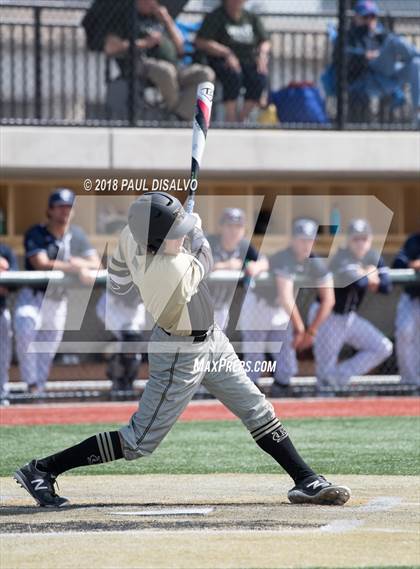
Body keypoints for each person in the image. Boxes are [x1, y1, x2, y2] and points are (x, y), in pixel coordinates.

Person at [14, 192, 350, 508]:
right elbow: (207, 257)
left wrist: (176, 219)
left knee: (257, 407)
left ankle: (305, 479)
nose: (182, 235)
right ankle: (42, 470)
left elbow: (121, 271)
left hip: (212, 340)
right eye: (175, 233)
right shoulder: (169, 270)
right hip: (179, 352)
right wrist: (198, 231)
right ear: (156, 242)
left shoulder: (133, 235)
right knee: (138, 441)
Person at [14, 189, 101, 394]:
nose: (65, 211)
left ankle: (38, 390)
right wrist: (77, 267)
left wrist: (80, 262)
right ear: (50, 210)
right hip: (33, 297)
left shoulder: (76, 235)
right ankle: (31, 383)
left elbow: (96, 263)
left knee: (47, 349)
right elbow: (41, 263)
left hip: (58, 300)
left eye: (69, 207)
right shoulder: (37, 232)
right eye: (60, 207)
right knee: (25, 330)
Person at [311, 219, 393, 389]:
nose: (360, 243)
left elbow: (387, 286)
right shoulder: (341, 257)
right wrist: (369, 273)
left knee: (382, 347)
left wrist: (365, 273)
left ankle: (337, 378)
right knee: (324, 369)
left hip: (349, 318)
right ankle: (323, 397)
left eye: (364, 238)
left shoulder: (373, 256)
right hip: (328, 316)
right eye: (356, 239)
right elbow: (358, 283)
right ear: (348, 240)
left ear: (370, 240)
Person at [103, 0, 214, 121]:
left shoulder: (160, 19)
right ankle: (175, 117)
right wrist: (145, 43)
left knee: (204, 74)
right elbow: (110, 47)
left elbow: (181, 48)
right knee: (166, 70)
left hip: (176, 67)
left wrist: (167, 21)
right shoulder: (127, 18)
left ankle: (180, 116)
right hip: (143, 65)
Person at [263, 219, 335, 397]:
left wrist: (311, 331)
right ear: (292, 240)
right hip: (260, 306)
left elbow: (329, 299)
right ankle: (244, 399)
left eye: (309, 240)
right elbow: (285, 296)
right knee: (254, 356)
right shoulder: (283, 258)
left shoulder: (315, 262)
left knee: (287, 362)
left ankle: (280, 392)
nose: (305, 244)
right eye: (301, 239)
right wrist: (300, 327)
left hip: (281, 311)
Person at [342, 0, 420, 122]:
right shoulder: (350, 35)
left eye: (373, 16)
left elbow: (395, 52)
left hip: (391, 73)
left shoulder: (381, 32)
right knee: (394, 41)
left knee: (416, 64)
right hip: (370, 74)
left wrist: (377, 36)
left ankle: (418, 114)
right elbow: (346, 55)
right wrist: (365, 55)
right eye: (365, 16)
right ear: (356, 17)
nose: (370, 20)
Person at [196, 0, 270, 122]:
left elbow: (265, 41)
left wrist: (262, 55)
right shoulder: (216, 16)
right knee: (233, 75)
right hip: (222, 61)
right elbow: (201, 41)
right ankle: (230, 118)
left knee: (259, 77)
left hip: (247, 60)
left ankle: (241, 118)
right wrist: (226, 53)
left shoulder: (250, 17)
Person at [207, 208, 267, 330]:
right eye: (229, 226)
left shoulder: (244, 245)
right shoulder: (209, 242)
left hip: (225, 307)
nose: (234, 231)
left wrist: (255, 266)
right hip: (203, 304)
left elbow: (264, 262)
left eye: (238, 227)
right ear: (221, 227)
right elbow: (196, 264)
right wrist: (226, 265)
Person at [96, 286, 146, 394]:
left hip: (134, 308)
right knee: (129, 338)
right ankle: (118, 377)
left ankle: (125, 381)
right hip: (113, 305)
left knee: (134, 344)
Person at [392, 233, 420, 386]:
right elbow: (398, 263)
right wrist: (414, 264)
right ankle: (409, 383)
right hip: (412, 297)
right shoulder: (414, 241)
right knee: (404, 331)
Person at [0, 242, 18, 406]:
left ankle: (2, 394)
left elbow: (15, 278)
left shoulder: (5, 249)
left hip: (1, 309)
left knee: (3, 357)